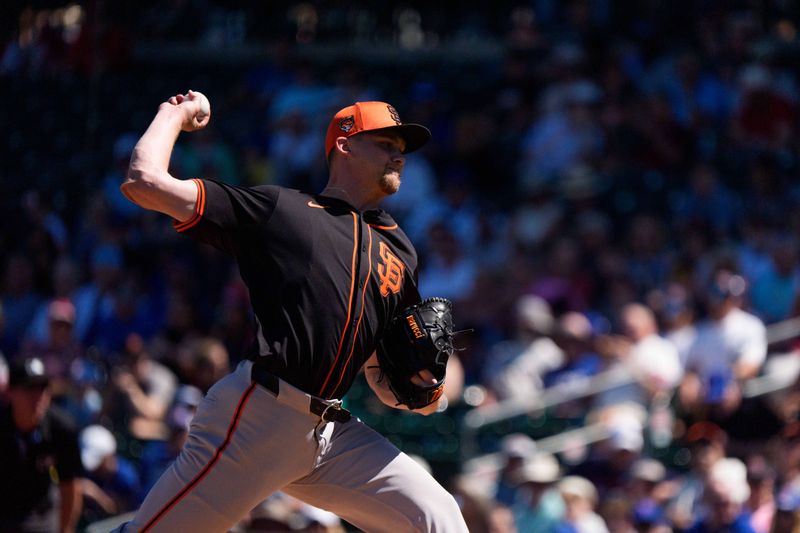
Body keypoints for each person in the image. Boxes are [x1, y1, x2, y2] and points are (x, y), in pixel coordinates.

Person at [116, 92, 467, 531]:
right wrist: (172, 113)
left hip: (329, 433)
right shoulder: (284, 211)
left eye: (402, 150)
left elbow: (382, 377)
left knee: (437, 515)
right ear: (344, 145)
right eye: (385, 144)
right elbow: (144, 181)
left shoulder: (399, 249)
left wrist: (423, 389)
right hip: (258, 418)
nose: (399, 156)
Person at [0, 357, 83, 533]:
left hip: (40, 512)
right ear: (11, 392)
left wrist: (66, 529)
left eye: (43, 388)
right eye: (30, 389)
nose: (38, 397)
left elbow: (70, 486)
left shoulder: (61, 429)